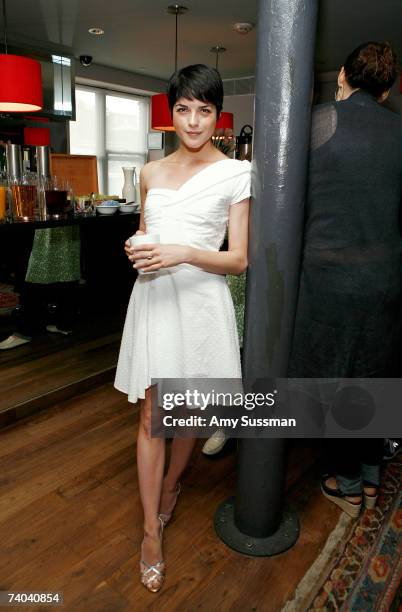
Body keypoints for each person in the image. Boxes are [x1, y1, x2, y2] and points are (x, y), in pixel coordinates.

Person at [114, 64, 251, 592]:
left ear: (217, 117)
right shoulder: (149, 171)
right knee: (152, 412)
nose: (193, 121)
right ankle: (151, 531)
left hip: (200, 299)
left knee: (187, 407)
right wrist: (137, 248)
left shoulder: (236, 173)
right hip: (154, 297)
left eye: (204, 110)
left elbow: (238, 260)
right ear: (170, 113)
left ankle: (172, 485)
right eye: (183, 109)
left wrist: (186, 253)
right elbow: (147, 234)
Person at [289, 42, 402, 517]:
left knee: (335, 380)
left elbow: (287, 196)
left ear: (341, 76)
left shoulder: (318, 121)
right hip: (386, 276)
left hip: (331, 275)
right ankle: (373, 479)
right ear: (387, 90)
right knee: (374, 375)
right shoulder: (399, 128)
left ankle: (348, 484)